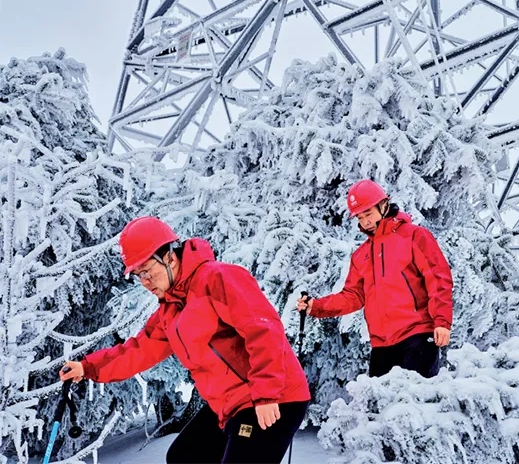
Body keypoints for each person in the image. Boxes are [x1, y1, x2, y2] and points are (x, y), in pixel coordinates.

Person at [59, 217, 310, 464]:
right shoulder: (171, 309)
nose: (145, 282)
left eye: (146, 271)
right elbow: (140, 349)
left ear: (169, 256)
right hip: (230, 404)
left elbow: (263, 330)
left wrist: (266, 394)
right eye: (137, 275)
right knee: (184, 456)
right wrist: (88, 367)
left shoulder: (218, 278)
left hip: (273, 396)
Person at [296, 180, 453, 378]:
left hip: (417, 336)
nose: (365, 222)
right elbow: (352, 296)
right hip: (382, 345)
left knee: (415, 397)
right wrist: (317, 306)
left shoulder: (414, 236)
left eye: (368, 214)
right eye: (360, 217)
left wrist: (442, 321)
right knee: (376, 399)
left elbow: (438, 279)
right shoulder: (361, 255)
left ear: (383, 205)